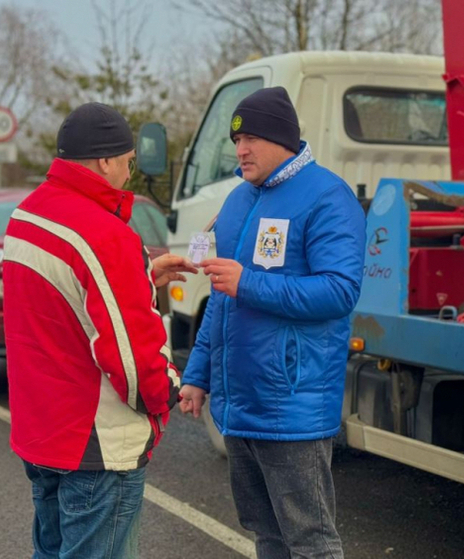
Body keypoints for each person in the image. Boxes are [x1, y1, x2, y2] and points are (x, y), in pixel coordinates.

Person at [3, 102, 197, 558]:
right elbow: (132, 361)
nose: (129, 173)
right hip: (94, 446)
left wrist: (139, 276)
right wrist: (168, 391)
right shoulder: (105, 235)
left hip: (41, 433)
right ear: (106, 161)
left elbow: (62, 306)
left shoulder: (26, 217)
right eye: (129, 162)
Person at [179, 86, 366, 558]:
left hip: (292, 403)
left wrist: (250, 284)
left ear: (284, 139)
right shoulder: (239, 200)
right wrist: (198, 374)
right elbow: (222, 299)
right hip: (241, 404)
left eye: (253, 139)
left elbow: (340, 291)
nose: (241, 150)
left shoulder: (328, 196)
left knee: (310, 541)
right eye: (236, 141)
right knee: (265, 532)